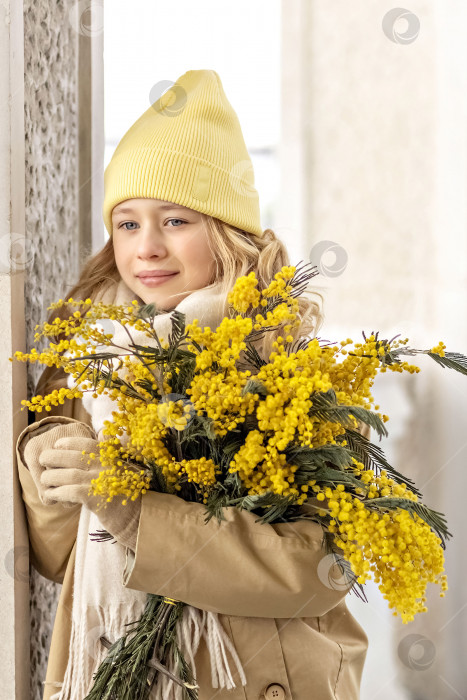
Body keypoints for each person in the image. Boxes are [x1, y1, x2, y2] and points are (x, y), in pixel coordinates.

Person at [16, 69, 369, 700]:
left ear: (226, 230)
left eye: (175, 220)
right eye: (127, 224)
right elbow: (60, 561)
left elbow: (319, 568)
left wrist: (137, 514)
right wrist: (48, 473)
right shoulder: (91, 368)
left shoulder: (289, 371)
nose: (146, 247)